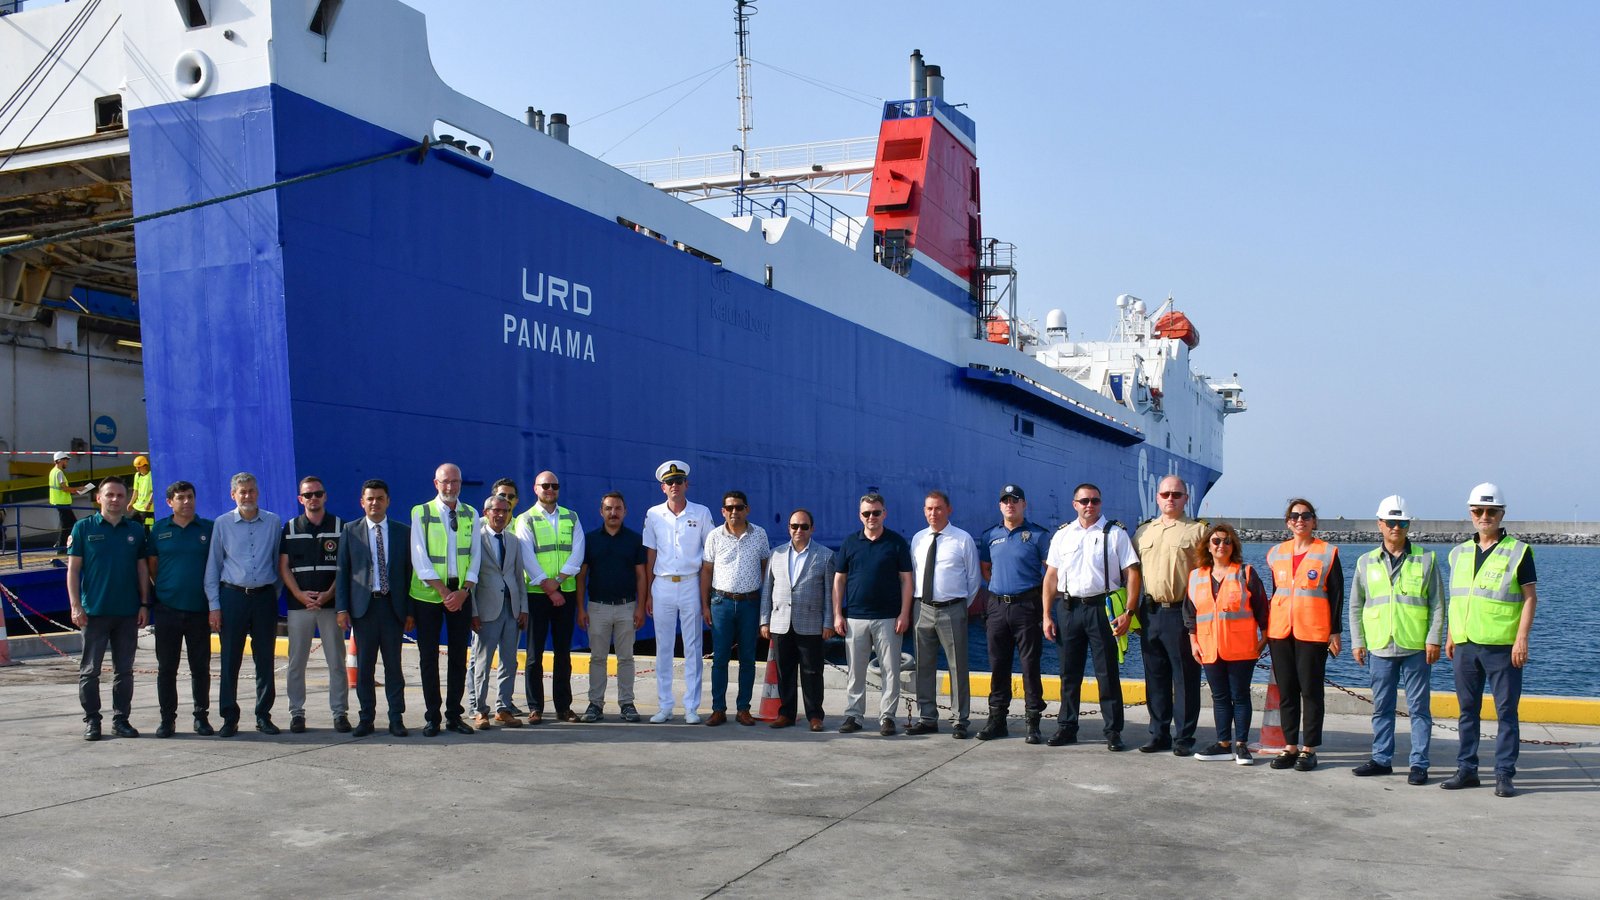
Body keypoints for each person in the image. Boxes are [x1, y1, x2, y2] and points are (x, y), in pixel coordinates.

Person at [1443, 482, 1538, 798]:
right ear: (1471, 513)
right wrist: (1451, 635)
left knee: (1506, 712)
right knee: (1467, 711)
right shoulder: (1458, 554)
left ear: (1501, 514)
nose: (1485, 516)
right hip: (1466, 646)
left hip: (1502, 648)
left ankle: (1503, 774)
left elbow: (1529, 598)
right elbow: (1458, 599)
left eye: (1491, 511)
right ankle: (1467, 770)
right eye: (1478, 510)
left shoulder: (1519, 551)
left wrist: (1521, 638)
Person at [1349, 495, 1444, 785]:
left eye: (1402, 522)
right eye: (1391, 522)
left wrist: (1434, 639)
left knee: (1419, 709)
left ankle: (1419, 764)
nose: (1396, 527)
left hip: (1415, 646)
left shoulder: (1426, 559)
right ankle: (1381, 759)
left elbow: (1438, 603)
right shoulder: (1366, 562)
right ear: (1380, 524)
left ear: (1408, 524)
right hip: (1379, 646)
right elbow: (1356, 604)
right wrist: (1357, 641)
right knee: (1382, 707)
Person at [1042, 482, 1140, 751]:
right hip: (1069, 609)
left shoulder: (1115, 534)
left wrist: (1129, 612)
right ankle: (1066, 727)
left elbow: (1132, 574)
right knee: (1068, 673)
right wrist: (1047, 615)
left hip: (1101, 609)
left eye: (1095, 501)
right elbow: (1051, 576)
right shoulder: (1063, 535)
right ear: (1075, 504)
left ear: (1101, 503)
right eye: (1084, 501)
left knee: (1107, 673)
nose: (1089, 505)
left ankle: (1113, 731)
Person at [1264, 498, 1344, 772]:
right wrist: (1266, 630)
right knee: (1286, 691)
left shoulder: (1327, 553)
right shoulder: (1276, 553)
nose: (1300, 520)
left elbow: (1336, 595)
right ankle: (1290, 746)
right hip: (1280, 631)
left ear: (1314, 521)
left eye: (1306, 516)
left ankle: (1309, 749)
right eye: (1295, 516)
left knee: (1310, 691)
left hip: (1313, 631)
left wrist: (1335, 632)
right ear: (1288, 522)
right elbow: (1276, 592)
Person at [67, 476, 149, 741]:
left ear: (127, 500)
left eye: (120, 495)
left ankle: (121, 720)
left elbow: (142, 569)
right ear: (99, 498)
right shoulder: (83, 528)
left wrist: (145, 604)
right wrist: (76, 605)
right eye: (109, 495)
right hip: (94, 613)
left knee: (124, 671)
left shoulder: (135, 531)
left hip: (126, 612)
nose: (115, 500)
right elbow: (73, 570)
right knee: (90, 671)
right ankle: (92, 721)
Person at [1134, 475, 1209, 756]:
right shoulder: (1143, 533)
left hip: (1182, 613)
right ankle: (1158, 733)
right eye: (1165, 494)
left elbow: (1208, 577)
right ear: (1157, 497)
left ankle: (1184, 737)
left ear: (1186, 499)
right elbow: (1131, 575)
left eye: (1176, 495)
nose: (1170, 499)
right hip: (1150, 612)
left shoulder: (1199, 533)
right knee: (1155, 677)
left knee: (1186, 679)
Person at [204, 472, 283, 737]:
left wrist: (271, 593)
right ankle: (229, 717)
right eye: (242, 492)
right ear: (233, 495)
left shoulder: (273, 522)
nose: (247, 496)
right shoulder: (222, 524)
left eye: (251, 491)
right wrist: (214, 605)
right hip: (233, 597)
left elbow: (277, 562)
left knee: (265, 660)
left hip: (263, 598)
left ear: (257, 492)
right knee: (230, 660)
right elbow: (213, 566)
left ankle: (263, 715)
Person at [1184, 523, 1269, 765]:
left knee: (1240, 695)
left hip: (1241, 648)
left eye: (1227, 541)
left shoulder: (1246, 573)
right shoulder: (1196, 576)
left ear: (1234, 546)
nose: (1221, 545)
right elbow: (1190, 614)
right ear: (1208, 546)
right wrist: (1194, 642)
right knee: (1219, 697)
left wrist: (1263, 639)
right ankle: (1223, 744)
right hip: (1210, 647)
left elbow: (1263, 609)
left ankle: (1241, 745)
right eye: (1216, 541)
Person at [335, 479, 414, 737]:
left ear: (388, 501)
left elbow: (409, 573)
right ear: (362, 502)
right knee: (365, 668)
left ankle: (396, 718)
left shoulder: (403, 531)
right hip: (363, 609)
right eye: (370, 498)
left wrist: (410, 611)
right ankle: (366, 718)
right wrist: (341, 609)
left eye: (380, 498)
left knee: (394, 667)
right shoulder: (350, 530)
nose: (374, 503)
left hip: (393, 608)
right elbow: (343, 571)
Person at [833, 493, 914, 737]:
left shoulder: (896, 542)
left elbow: (906, 581)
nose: (871, 517)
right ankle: (854, 715)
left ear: (884, 514)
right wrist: (838, 614)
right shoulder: (850, 543)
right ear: (860, 515)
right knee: (856, 670)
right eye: (866, 513)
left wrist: (904, 614)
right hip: (856, 617)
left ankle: (887, 717)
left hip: (889, 617)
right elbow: (839, 580)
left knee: (890, 670)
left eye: (876, 512)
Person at [409, 462, 481, 737]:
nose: (450, 487)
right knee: (428, 657)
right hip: (429, 597)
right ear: (435, 483)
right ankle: (432, 717)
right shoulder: (422, 512)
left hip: (460, 596)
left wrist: (465, 591)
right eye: (445, 482)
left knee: (457, 658)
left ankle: (454, 715)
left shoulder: (470, 514)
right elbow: (420, 557)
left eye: (455, 482)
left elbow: (475, 555)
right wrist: (443, 592)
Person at [976, 484, 1050, 743]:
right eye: (1005, 501)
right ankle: (997, 720)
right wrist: (1000, 588)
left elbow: (1050, 573)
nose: (1010, 504)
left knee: (1030, 665)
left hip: (1027, 606)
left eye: (1015, 500)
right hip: (997, 606)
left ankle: (1033, 721)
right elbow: (986, 568)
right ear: (1000, 506)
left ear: (1024, 504)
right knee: (998, 664)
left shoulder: (1038, 535)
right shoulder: (989, 536)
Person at [642, 460, 713, 724]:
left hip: (690, 583)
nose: (674, 486)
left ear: (686, 484)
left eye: (678, 481)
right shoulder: (653, 514)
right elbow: (650, 554)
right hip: (662, 584)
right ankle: (665, 705)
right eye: (669, 483)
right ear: (663, 487)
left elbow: (709, 555)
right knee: (664, 646)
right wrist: (649, 592)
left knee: (693, 645)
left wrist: (706, 596)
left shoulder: (701, 513)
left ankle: (691, 707)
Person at [907, 490, 981, 738]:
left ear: (949, 510)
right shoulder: (918, 539)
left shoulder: (962, 539)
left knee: (957, 665)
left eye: (938, 508)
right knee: (923, 666)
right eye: (928, 508)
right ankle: (927, 717)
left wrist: (959, 606)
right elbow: (915, 575)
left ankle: (960, 720)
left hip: (952, 609)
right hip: (922, 608)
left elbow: (973, 579)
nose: (933, 513)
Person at [278, 475, 348, 734]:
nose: (313, 498)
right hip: (299, 607)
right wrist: (298, 594)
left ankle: (340, 713)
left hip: (330, 605)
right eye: (308, 495)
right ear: (300, 499)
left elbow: (345, 567)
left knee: (336, 662)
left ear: (325, 496)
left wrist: (330, 594)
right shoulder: (290, 527)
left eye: (318, 493)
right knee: (297, 662)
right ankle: (297, 713)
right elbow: (283, 566)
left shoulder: (341, 527)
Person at [147, 481, 215, 737]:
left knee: (200, 668)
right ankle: (167, 719)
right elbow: (153, 566)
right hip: (167, 609)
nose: (186, 502)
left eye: (190, 497)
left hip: (199, 609)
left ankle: (201, 717)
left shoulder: (208, 529)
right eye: (180, 498)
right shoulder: (159, 530)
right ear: (169, 503)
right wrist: (166, 590)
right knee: (167, 668)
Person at [516, 470, 584, 724]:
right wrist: (548, 586)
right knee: (534, 654)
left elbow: (578, 552)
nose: (550, 490)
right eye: (545, 486)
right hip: (537, 595)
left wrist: (558, 583)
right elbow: (526, 555)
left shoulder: (571, 517)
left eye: (554, 486)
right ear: (535, 488)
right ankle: (535, 707)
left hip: (563, 593)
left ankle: (563, 707)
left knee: (563, 654)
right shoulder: (526, 519)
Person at [760, 508, 836, 731]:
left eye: (804, 526)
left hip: (811, 623)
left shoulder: (825, 555)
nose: (799, 530)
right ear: (788, 528)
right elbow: (767, 590)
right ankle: (786, 714)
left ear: (812, 529)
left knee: (812, 671)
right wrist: (764, 621)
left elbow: (830, 594)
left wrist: (828, 623)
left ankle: (815, 715)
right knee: (785, 671)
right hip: (781, 621)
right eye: (795, 526)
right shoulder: (777, 554)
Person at [702, 489, 772, 727]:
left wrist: (765, 606)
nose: (734, 512)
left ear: (747, 509)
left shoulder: (759, 535)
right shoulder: (714, 536)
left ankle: (743, 709)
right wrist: (705, 606)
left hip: (749, 603)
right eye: (729, 508)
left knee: (748, 659)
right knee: (720, 658)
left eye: (739, 507)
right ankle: (718, 709)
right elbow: (707, 571)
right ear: (723, 511)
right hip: (721, 602)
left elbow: (766, 570)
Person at [577, 492, 647, 722]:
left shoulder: (635, 540)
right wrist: (581, 608)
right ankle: (595, 704)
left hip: (627, 607)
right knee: (597, 657)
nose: (613, 512)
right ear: (601, 511)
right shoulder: (590, 539)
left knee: (626, 658)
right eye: (609, 508)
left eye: (618, 508)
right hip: (597, 607)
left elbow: (641, 576)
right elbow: (581, 576)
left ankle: (627, 703)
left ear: (625, 511)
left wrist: (640, 607)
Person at [469, 494, 532, 729]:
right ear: (486, 513)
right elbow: (472, 578)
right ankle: (480, 710)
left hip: (511, 609)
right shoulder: (477, 539)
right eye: (496, 511)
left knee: (509, 661)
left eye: (505, 511)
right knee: (483, 663)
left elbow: (518, 577)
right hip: (486, 610)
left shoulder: (514, 541)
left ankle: (503, 708)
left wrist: (523, 608)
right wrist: (472, 612)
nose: (501, 515)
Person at [49, 450, 88, 552]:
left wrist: (75, 490)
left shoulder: (52, 472)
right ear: (60, 461)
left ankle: (62, 545)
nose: (67, 463)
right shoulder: (59, 473)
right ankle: (61, 547)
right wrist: (77, 489)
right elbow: (64, 488)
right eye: (65, 461)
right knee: (68, 525)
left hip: (58, 502)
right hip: (62, 503)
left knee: (70, 524)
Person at [130, 455, 155, 525]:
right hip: (138, 507)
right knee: (132, 525)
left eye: (139, 467)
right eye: (136, 467)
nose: (137, 469)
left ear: (145, 466)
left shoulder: (151, 476)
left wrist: (149, 503)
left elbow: (154, 491)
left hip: (148, 509)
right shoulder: (137, 475)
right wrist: (131, 503)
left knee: (147, 528)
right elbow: (135, 491)